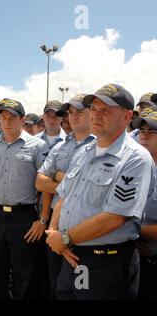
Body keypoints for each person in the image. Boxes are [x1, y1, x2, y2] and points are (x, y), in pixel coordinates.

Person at [45, 84, 154, 300]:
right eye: (94, 109)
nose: (96, 115)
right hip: (71, 254)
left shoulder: (135, 158)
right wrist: (53, 233)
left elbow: (115, 217)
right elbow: (65, 197)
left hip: (106, 262)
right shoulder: (84, 152)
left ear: (127, 116)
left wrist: (64, 238)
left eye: (106, 110)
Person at [0, 98, 48, 300]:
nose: (6, 122)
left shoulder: (38, 146)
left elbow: (46, 186)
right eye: (2, 117)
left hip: (24, 217)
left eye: (12, 118)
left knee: (24, 273)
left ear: (23, 120)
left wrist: (43, 219)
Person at [35, 94, 95, 299]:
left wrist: (60, 176)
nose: (74, 117)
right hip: (55, 225)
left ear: (91, 113)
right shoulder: (61, 147)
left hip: (85, 228)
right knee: (56, 285)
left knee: (82, 288)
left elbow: (90, 191)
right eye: (71, 112)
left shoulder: (99, 147)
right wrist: (65, 179)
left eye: (80, 112)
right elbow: (40, 182)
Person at [130, 109, 157, 300]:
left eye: (152, 132)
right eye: (142, 131)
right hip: (135, 259)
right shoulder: (132, 168)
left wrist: (132, 231)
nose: (144, 136)